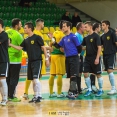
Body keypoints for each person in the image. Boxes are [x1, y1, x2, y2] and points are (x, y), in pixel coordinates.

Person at [9, 22, 49, 103]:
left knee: (36, 79)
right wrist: (10, 44)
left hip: (37, 61)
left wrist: (47, 59)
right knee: (33, 80)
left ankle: (39, 96)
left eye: (25, 28)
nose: (24, 29)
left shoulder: (37, 37)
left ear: (30, 29)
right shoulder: (26, 39)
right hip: (30, 62)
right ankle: (35, 96)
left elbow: (44, 48)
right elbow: (19, 48)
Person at [50, 21, 81, 99]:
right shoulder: (64, 38)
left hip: (74, 57)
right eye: (62, 26)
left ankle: (73, 92)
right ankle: (73, 91)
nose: (62, 28)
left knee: (73, 75)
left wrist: (78, 56)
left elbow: (79, 47)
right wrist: (52, 39)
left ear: (68, 27)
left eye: (64, 26)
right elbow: (57, 46)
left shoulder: (73, 37)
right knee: (71, 75)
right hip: (67, 58)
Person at [23, 18, 51, 99]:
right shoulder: (34, 33)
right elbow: (43, 47)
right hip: (36, 57)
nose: (43, 25)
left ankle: (38, 94)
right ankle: (26, 92)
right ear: (40, 24)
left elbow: (43, 46)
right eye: (43, 24)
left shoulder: (40, 34)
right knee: (32, 76)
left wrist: (48, 49)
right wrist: (49, 48)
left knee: (38, 76)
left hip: (40, 57)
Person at [82, 21, 103, 97]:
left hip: (95, 57)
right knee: (85, 73)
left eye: (86, 27)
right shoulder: (86, 37)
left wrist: (97, 58)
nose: (84, 28)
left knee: (98, 74)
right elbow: (82, 46)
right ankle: (89, 89)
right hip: (87, 58)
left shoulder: (96, 36)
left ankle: (100, 89)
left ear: (90, 27)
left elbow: (99, 47)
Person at [6, 18, 23, 102]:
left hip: (6, 59)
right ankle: (11, 96)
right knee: (14, 78)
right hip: (15, 60)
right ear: (16, 26)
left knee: (7, 78)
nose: (21, 25)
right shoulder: (18, 35)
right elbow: (21, 47)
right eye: (20, 24)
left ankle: (7, 95)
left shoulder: (6, 32)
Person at [48, 20, 65, 98]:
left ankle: (51, 93)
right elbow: (63, 47)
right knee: (59, 74)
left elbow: (50, 45)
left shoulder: (54, 33)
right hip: (59, 56)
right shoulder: (63, 34)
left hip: (53, 55)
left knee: (52, 74)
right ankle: (59, 93)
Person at [101, 20, 117, 95]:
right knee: (108, 71)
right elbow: (101, 46)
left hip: (111, 54)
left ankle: (114, 88)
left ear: (107, 25)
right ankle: (113, 88)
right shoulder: (102, 36)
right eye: (101, 25)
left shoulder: (112, 33)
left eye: (103, 25)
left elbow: (116, 43)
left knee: (110, 70)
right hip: (105, 55)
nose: (102, 26)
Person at [89, 22, 102, 93]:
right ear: (97, 28)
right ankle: (98, 88)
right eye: (100, 27)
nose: (100, 28)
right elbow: (98, 47)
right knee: (97, 73)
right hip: (96, 56)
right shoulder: (96, 36)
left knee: (93, 72)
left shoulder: (94, 36)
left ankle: (93, 86)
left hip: (93, 56)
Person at [0, 19, 9, 106]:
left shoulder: (4, 34)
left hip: (3, 60)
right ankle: (3, 98)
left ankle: (5, 98)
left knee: (3, 79)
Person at [75, 22, 85, 94]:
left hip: (80, 56)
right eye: (83, 27)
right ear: (80, 28)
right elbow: (78, 47)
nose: (84, 28)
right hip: (78, 56)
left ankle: (79, 88)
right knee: (78, 72)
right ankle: (77, 89)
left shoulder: (80, 35)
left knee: (80, 72)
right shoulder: (77, 35)